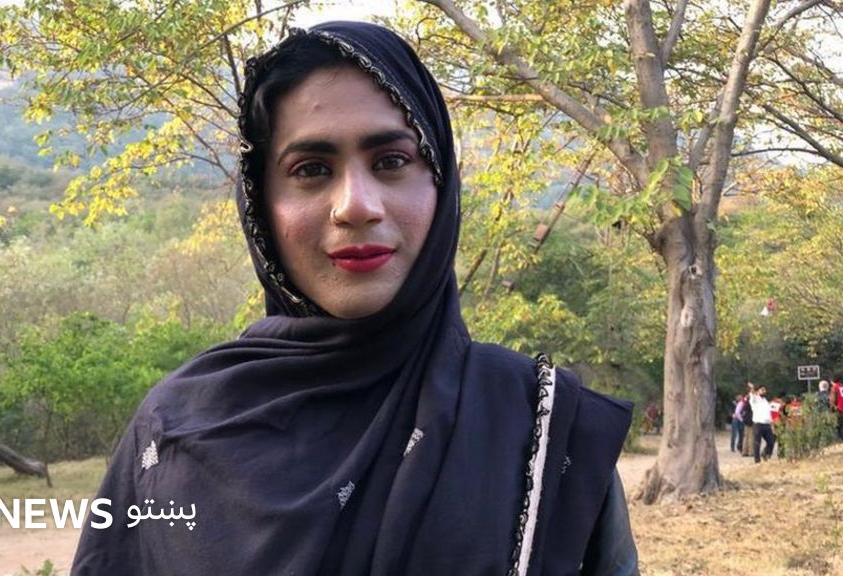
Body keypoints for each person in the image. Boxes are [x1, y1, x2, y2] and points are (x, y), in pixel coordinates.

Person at [70, 22, 637, 576]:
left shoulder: (538, 429)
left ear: (440, 182)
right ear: (262, 205)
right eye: (311, 170)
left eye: (391, 162)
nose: (355, 206)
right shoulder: (178, 428)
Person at [748, 382, 775, 463]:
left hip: (767, 424)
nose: (764, 391)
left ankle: (765, 453)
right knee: (757, 443)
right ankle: (757, 460)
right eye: (762, 390)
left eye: (765, 390)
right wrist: (752, 388)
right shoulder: (755, 399)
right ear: (758, 391)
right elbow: (752, 394)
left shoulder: (765, 401)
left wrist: (772, 423)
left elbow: (769, 413)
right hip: (758, 424)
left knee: (771, 441)